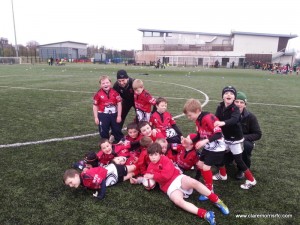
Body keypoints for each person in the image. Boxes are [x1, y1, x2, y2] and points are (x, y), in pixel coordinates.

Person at [131, 143, 229, 225]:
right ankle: (205, 214)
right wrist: (138, 180)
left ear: (160, 154)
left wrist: (153, 176)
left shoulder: (165, 159)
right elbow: (148, 178)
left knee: (194, 182)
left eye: (155, 154)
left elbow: (166, 176)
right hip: (168, 187)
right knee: (178, 201)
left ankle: (218, 201)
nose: (153, 157)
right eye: (151, 155)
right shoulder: (150, 167)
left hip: (177, 178)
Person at [213, 86, 257, 189]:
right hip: (225, 138)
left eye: (231, 94)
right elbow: (215, 118)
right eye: (226, 93)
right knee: (218, 154)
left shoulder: (235, 108)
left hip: (235, 139)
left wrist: (222, 123)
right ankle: (223, 175)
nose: (229, 95)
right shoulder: (220, 106)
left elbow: (234, 120)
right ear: (222, 96)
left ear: (234, 98)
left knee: (239, 161)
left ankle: (252, 180)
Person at [183, 99, 226, 200]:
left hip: (217, 147)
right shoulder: (198, 120)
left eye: (190, 115)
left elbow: (219, 134)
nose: (189, 118)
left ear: (197, 110)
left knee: (206, 167)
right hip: (209, 146)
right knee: (199, 165)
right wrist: (190, 141)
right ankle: (198, 182)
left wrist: (204, 141)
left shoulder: (208, 118)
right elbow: (199, 135)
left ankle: (209, 190)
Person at [64, 163, 136, 200]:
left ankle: (144, 165)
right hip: (111, 179)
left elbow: (102, 182)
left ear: (76, 176)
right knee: (131, 174)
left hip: (113, 170)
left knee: (133, 167)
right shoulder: (81, 181)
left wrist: (101, 195)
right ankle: (138, 172)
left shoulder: (87, 176)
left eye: (70, 182)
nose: (70, 185)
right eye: (68, 184)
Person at [233, 91, 262, 179]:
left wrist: (243, 138)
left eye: (241, 102)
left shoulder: (251, 117)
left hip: (244, 140)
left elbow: (258, 134)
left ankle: (242, 169)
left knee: (245, 145)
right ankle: (227, 161)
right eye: (236, 102)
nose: (239, 104)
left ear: (245, 105)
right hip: (229, 139)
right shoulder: (226, 115)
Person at [93, 75, 124, 143]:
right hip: (103, 115)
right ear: (100, 85)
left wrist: (119, 115)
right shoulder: (98, 94)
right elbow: (95, 106)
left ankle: (121, 143)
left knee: (116, 130)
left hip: (114, 115)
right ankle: (105, 144)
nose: (105, 84)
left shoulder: (115, 93)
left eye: (107, 82)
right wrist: (96, 117)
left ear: (110, 83)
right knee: (103, 131)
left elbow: (119, 104)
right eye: (103, 83)